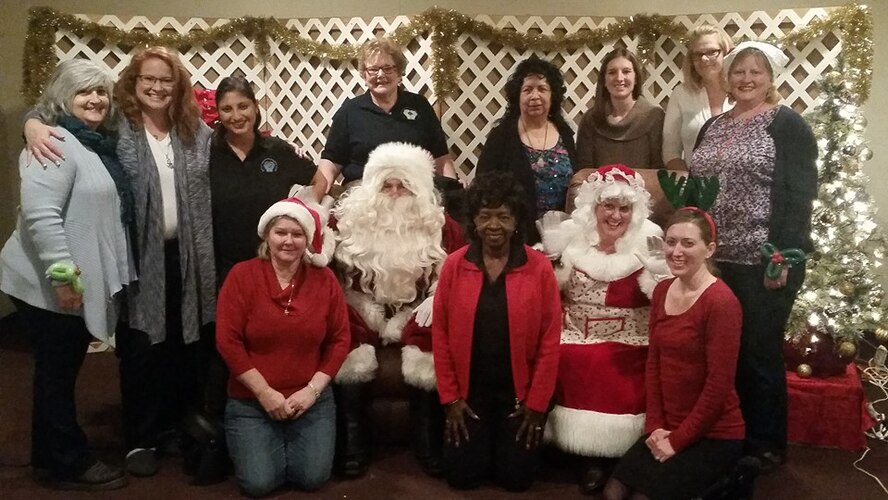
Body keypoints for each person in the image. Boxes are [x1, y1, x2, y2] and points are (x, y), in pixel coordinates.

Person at [25, 47, 218, 477]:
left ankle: (174, 425)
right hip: (137, 257)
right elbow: (58, 115)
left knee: (184, 346)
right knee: (142, 347)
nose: (157, 87)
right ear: (133, 83)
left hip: (188, 258)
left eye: (166, 80)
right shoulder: (116, 128)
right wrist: (31, 124)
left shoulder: (196, 132)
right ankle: (140, 437)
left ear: (178, 85)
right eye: (148, 79)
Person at [0, 59, 135, 490]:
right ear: (64, 97)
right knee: (58, 372)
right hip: (48, 283)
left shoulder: (92, 142)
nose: (95, 100)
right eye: (83, 92)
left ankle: (49, 452)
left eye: (101, 92)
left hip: (61, 280)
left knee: (56, 369)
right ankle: (68, 460)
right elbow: (41, 217)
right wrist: (64, 279)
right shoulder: (53, 143)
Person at [690, 41, 818, 472]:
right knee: (720, 351)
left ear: (770, 78)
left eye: (755, 72)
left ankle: (766, 443)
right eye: (738, 72)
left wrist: (782, 256)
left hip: (764, 260)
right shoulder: (714, 126)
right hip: (714, 260)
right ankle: (730, 432)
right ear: (727, 78)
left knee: (758, 351)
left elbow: (800, 197)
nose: (746, 79)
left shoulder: (788, 125)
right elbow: (696, 187)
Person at [330, 142, 463, 478]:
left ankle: (426, 437)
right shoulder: (347, 222)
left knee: (432, 336)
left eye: (402, 186)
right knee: (346, 334)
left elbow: (460, 266)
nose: (393, 193)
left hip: (417, 307)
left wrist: (438, 296)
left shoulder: (441, 226)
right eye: (385, 185)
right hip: (361, 305)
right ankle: (353, 440)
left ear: (418, 189)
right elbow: (322, 264)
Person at [539, 164, 667, 495]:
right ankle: (588, 456)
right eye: (608, 206)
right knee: (572, 359)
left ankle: (620, 457)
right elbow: (545, 295)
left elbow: (667, 298)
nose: (615, 215)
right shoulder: (568, 238)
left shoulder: (652, 241)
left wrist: (659, 275)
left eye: (624, 208)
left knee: (622, 364)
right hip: (575, 332)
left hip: (632, 336)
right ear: (593, 207)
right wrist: (551, 263)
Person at [432, 170, 561, 491]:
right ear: (473, 220)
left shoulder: (539, 267)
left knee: (516, 480)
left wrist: (536, 405)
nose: (493, 226)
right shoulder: (454, 265)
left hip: (519, 394)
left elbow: (549, 341)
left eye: (503, 217)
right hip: (468, 393)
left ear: (517, 220)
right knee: (462, 478)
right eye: (485, 216)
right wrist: (450, 399)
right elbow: (441, 336)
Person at [605, 208, 746, 500]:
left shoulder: (721, 303)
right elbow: (654, 363)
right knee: (613, 493)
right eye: (671, 242)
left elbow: (718, 387)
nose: (676, 251)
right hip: (666, 428)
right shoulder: (662, 291)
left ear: (710, 249)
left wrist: (678, 441)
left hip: (713, 434)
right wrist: (655, 427)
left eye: (688, 243)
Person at [216, 196, 350, 497]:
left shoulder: (325, 279)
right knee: (259, 484)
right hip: (251, 401)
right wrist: (264, 393)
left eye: (297, 234)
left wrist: (312, 391)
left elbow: (340, 339)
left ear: (307, 240)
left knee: (312, 478)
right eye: (281, 232)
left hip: (311, 399)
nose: (288, 241)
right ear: (267, 235)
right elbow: (228, 341)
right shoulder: (241, 276)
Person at [317, 38, 457, 193]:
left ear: (399, 73)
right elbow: (331, 161)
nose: (380, 75)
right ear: (364, 75)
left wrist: (453, 192)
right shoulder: (349, 111)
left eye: (387, 68)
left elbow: (441, 158)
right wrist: (318, 192)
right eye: (373, 69)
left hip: (414, 190)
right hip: (364, 191)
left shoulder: (420, 106)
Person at [476, 56, 579, 244]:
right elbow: (483, 188)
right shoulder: (502, 136)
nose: (535, 96)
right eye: (527, 90)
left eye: (542, 89)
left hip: (563, 237)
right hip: (515, 238)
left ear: (553, 95)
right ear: (518, 96)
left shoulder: (565, 133)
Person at [576, 48, 664, 172]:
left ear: (636, 79)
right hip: (598, 190)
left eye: (626, 71)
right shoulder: (590, 119)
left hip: (645, 190)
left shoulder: (654, 117)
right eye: (612, 72)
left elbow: (659, 169)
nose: (619, 78)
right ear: (604, 81)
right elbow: (584, 170)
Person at [662, 26, 735, 171]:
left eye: (712, 52)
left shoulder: (742, 91)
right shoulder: (681, 94)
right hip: (696, 188)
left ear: (726, 53)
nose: (704, 58)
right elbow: (670, 152)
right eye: (697, 54)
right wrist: (690, 186)